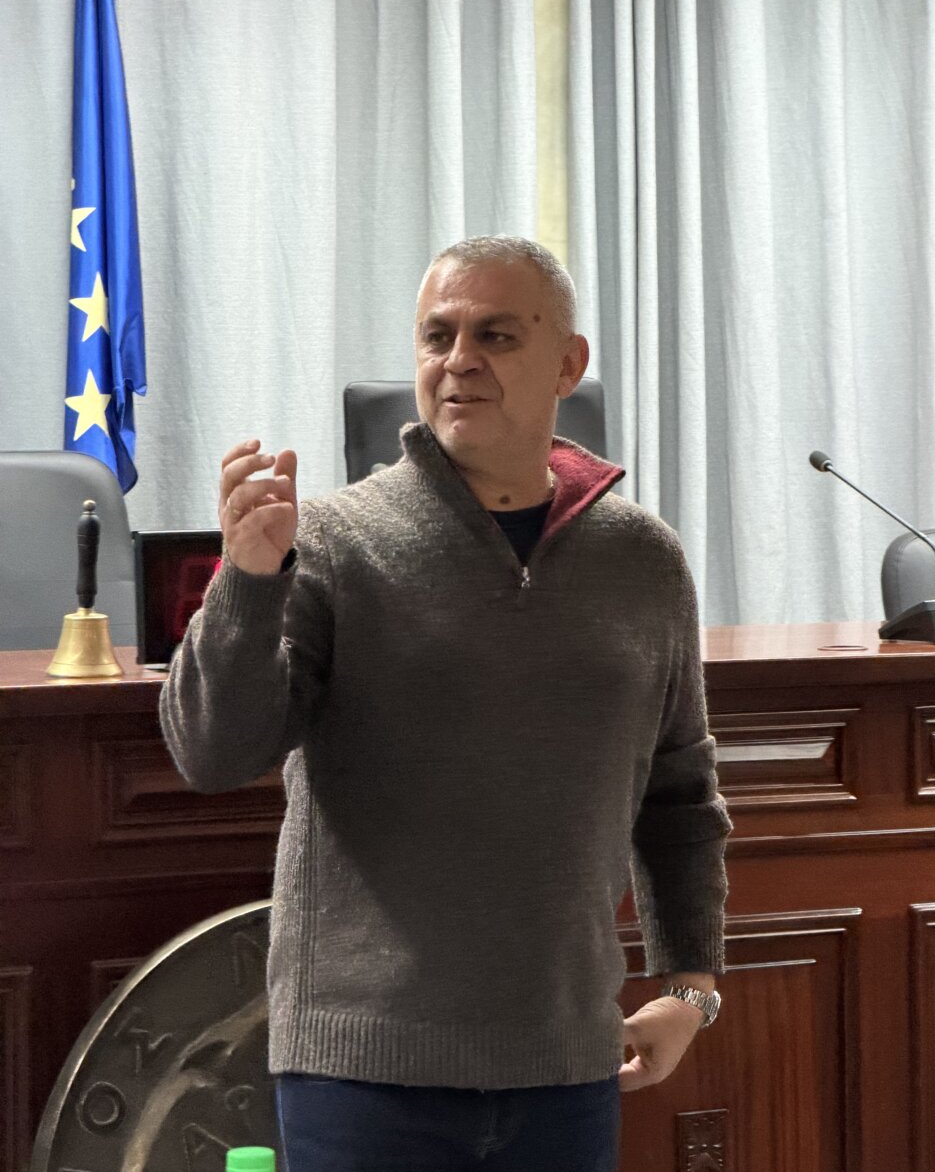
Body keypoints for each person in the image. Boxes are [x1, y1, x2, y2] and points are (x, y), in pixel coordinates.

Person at [160, 236, 730, 1172]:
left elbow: (678, 795)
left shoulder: (643, 559)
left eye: (496, 335)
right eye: (437, 336)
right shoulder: (333, 540)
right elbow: (212, 754)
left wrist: (690, 988)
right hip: (361, 1072)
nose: (459, 360)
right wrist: (249, 582)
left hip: (565, 1062)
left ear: (568, 364)